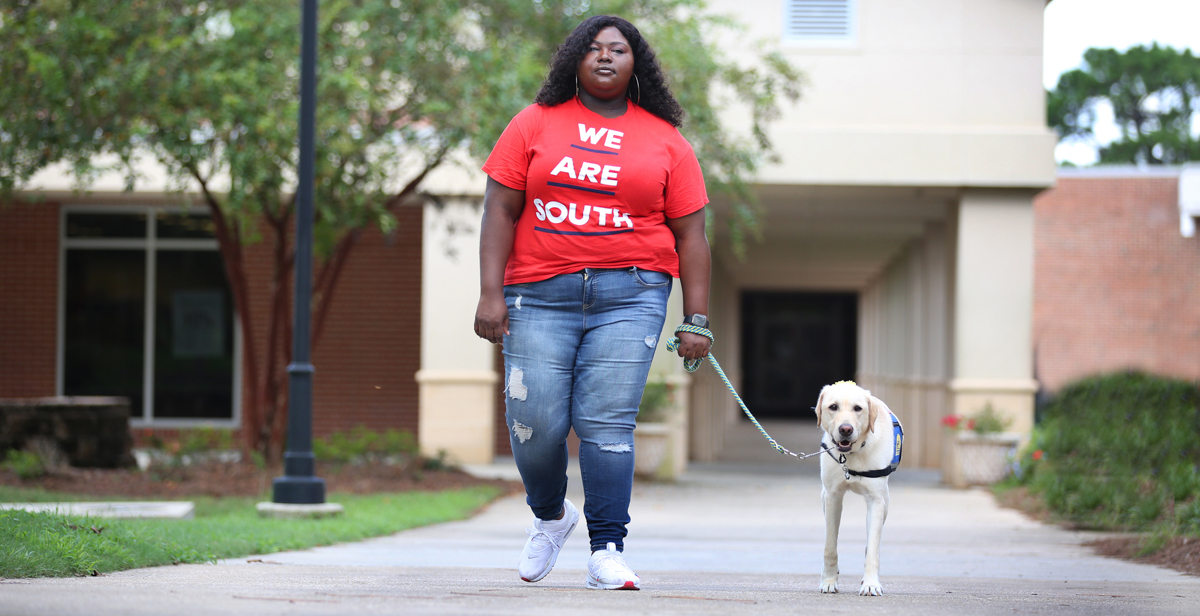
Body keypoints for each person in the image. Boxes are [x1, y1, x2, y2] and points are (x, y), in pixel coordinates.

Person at [473, 14, 712, 591]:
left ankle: (607, 550)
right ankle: (552, 517)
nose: (606, 56)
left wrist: (697, 318)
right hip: (537, 294)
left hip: (631, 295)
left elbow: (692, 235)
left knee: (606, 425)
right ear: (574, 59)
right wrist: (489, 293)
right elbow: (499, 210)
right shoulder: (533, 124)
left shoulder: (666, 140)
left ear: (637, 66)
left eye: (619, 50)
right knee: (535, 424)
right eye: (594, 47)